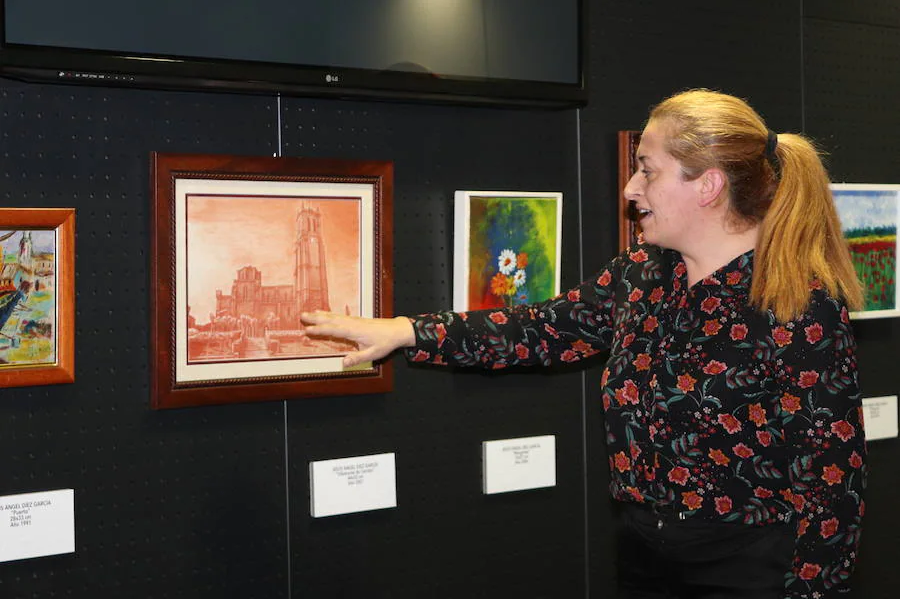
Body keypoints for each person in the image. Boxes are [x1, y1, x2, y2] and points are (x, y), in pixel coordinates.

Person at [301, 89, 866, 599]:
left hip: (752, 567)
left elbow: (833, 479)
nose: (631, 188)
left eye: (648, 171)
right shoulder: (643, 273)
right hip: (644, 551)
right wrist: (402, 330)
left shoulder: (799, 306)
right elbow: (539, 331)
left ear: (708, 185)